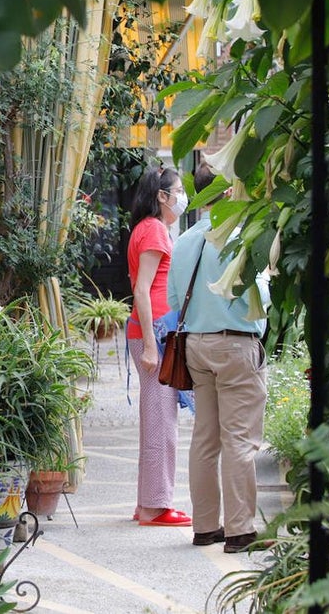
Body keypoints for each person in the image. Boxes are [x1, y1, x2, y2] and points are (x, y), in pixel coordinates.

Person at [167, 164, 269, 553]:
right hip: (236, 345)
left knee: (205, 439)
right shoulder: (240, 237)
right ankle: (240, 529)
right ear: (228, 193)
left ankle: (206, 526)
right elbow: (259, 301)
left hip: (196, 346)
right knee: (240, 439)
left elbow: (174, 303)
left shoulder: (184, 242)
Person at [126, 166, 192, 526]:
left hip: (155, 334)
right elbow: (142, 290)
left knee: (160, 419)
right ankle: (154, 506)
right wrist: (152, 346)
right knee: (159, 422)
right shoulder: (152, 229)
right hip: (154, 336)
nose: (183, 197)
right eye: (177, 191)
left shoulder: (149, 229)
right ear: (161, 197)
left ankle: (150, 502)